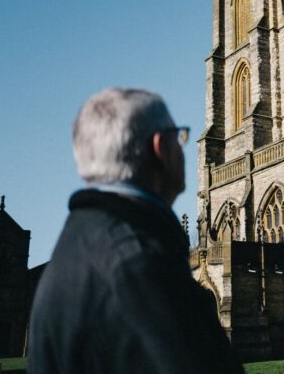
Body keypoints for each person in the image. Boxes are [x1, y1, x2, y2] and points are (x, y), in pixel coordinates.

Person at [28, 88, 242, 374]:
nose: (183, 148)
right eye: (180, 137)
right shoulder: (140, 264)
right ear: (161, 148)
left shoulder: (73, 248)